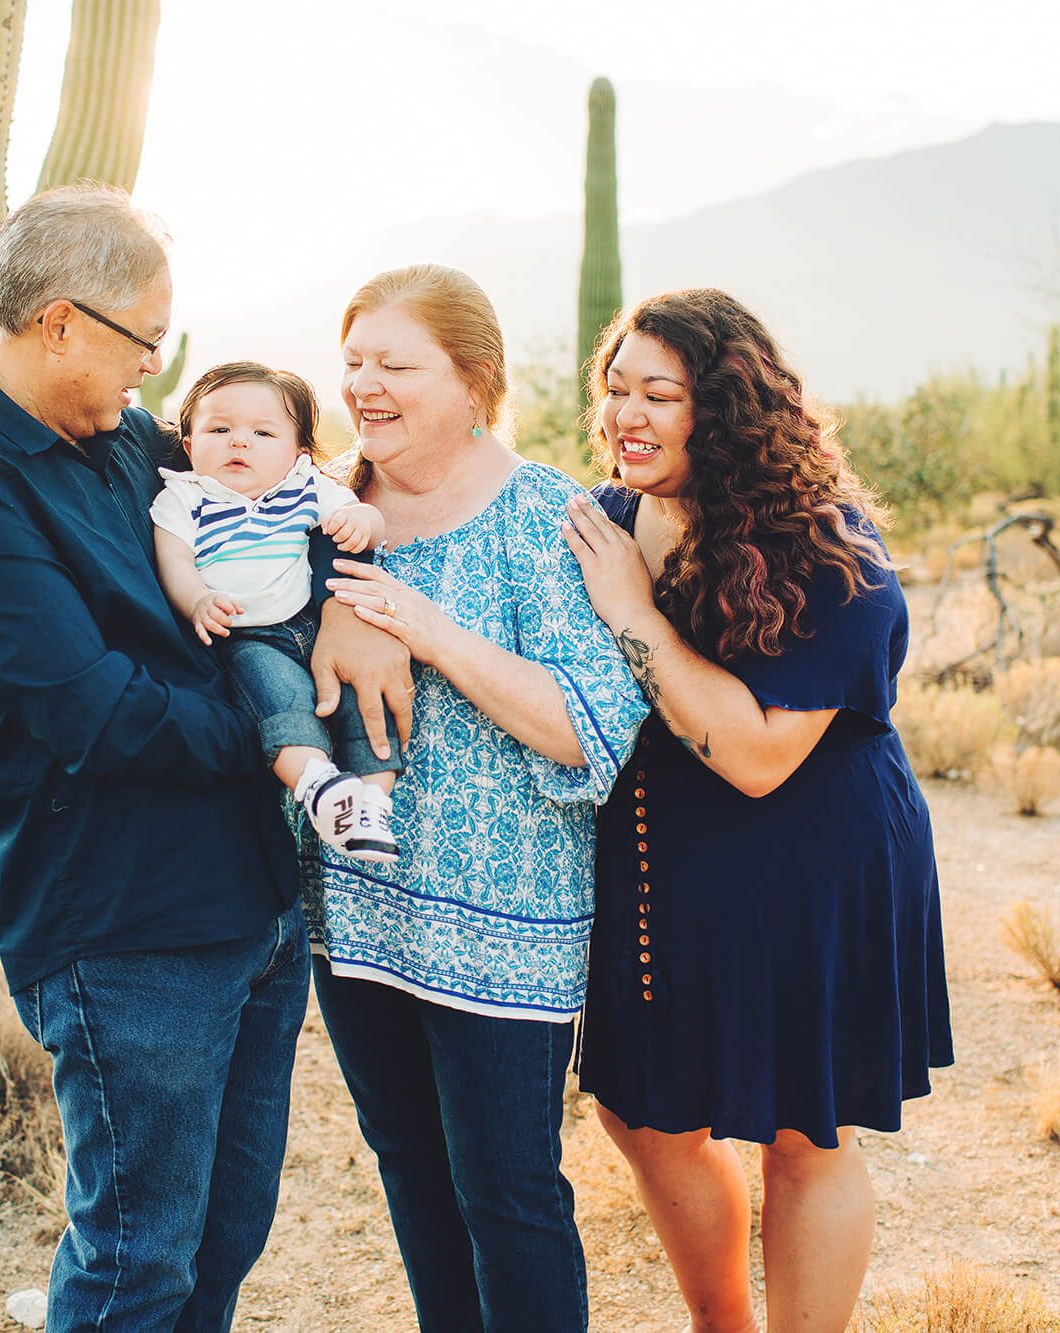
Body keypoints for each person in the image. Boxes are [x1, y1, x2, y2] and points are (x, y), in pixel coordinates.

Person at [0, 184, 309, 1333]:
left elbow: (270, 514)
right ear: (60, 322)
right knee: (135, 1267)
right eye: (144, 344)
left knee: (223, 1236)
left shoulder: (124, 441)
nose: (151, 377)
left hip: (254, 902)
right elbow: (97, 714)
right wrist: (286, 728)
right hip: (130, 930)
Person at [561, 288, 954, 1333]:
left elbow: (751, 754)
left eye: (658, 394)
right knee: (639, 1111)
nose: (624, 416)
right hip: (657, 861)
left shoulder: (826, 549)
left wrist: (633, 612)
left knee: (801, 1129)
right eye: (614, 390)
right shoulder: (600, 519)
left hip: (809, 860)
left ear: (724, 408)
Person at [309, 263, 650, 1331]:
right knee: (408, 1166)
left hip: (507, 924)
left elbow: (587, 727)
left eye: (395, 364)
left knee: (507, 1192)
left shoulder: (542, 515)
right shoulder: (316, 501)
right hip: (358, 912)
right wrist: (329, 608)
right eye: (353, 361)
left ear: (474, 382)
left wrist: (417, 622)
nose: (365, 385)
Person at [150, 360, 402, 863]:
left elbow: (364, 515)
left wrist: (362, 521)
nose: (239, 442)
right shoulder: (185, 498)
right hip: (249, 635)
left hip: (312, 624)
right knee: (280, 705)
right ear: (190, 442)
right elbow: (173, 560)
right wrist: (197, 599)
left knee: (360, 704)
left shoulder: (305, 487)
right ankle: (318, 787)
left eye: (263, 433)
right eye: (218, 429)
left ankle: (372, 802)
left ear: (298, 452)